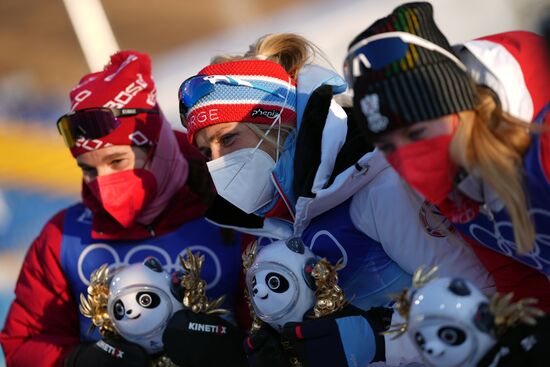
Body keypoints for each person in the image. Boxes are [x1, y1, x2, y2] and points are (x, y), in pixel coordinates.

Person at [178, 33, 493, 366]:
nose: (217, 161)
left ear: (276, 125)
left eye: (227, 139)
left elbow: (480, 298)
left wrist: (379, 342)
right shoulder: (275, 224)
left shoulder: (380, 186)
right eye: (205, 152)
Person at [0, 51, 246, 367]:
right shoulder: (63, 238)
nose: (103, 183)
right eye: (88, 169)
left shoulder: (231, 215)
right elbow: (24, 341)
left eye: (118, 161)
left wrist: (235, 349)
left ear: (158, 151)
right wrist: (74, 361)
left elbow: (282, 327)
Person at [346, 2, 550, 313]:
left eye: (416, 134)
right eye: (388, 146)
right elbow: (519, 280)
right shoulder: (453, 178)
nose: (408, 158)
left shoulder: (542, 144)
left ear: (457, 108)